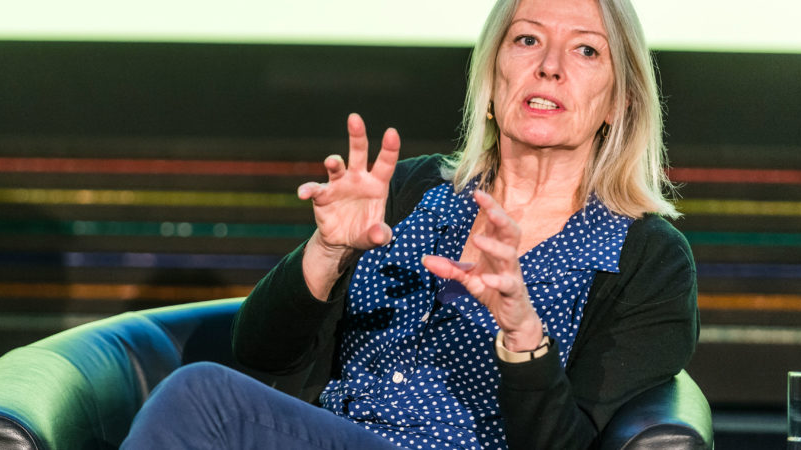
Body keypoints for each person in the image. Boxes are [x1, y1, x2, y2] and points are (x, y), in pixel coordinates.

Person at [122, 0, 698, 448]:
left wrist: (522, 334)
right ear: (492, 77)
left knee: (201, 398)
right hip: (332, 434)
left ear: (619, 102)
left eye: (586, 51)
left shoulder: (648, 258)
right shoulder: (412, 190)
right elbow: (259, 352)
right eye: (527, 40)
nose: (549, 66)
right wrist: (328, 249)